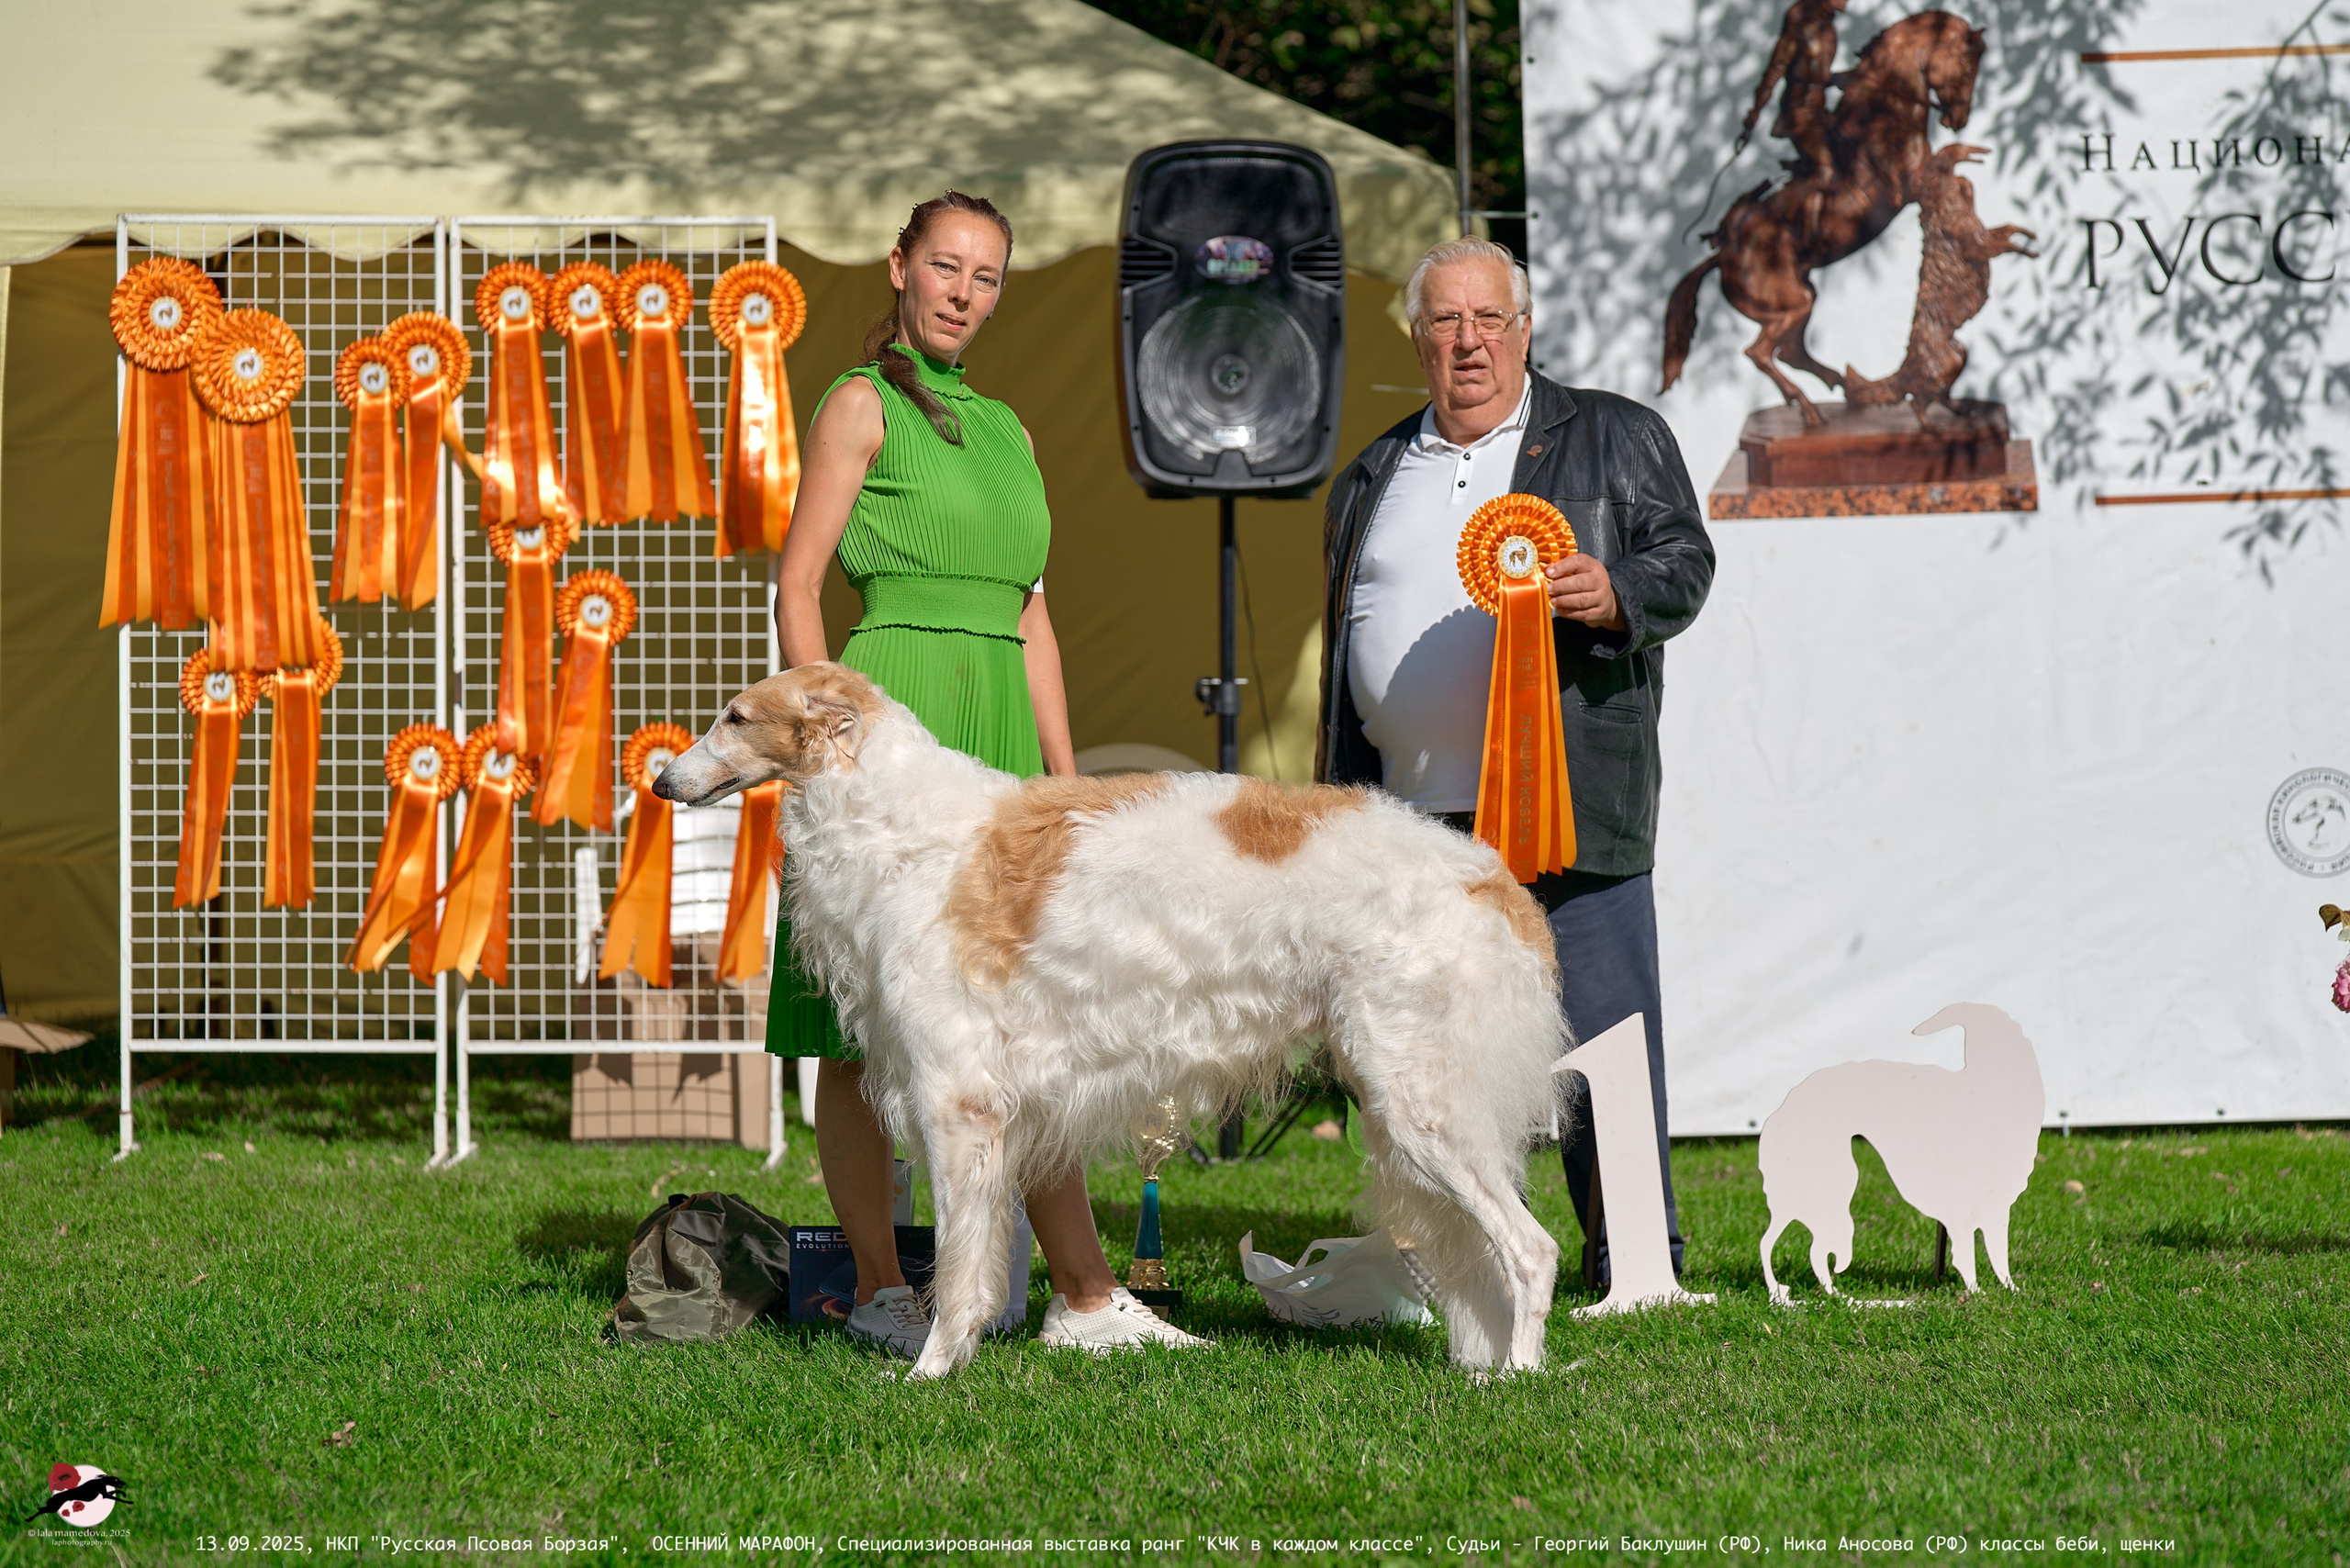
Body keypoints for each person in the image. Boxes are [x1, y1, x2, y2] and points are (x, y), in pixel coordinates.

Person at [770, 191, 1207, 1358]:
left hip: (1003, 738)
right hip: (890, 714)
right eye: (946, 267)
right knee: (859, 1032)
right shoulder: (859, 404)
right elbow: (800, 579)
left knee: (1033, 1028)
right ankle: (878, 1282)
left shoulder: (1010, 428)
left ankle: (1083, 1293)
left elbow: (1033, 618)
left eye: (988, 276)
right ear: (900, 268)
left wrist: (1066, 785)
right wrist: (829, 749)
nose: (965, 291)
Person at [1315, 237, 1715, 1282]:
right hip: (1413, 826)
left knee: (1604, 1036)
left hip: (1569, 801)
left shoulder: (1614, 436)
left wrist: (1617, 592)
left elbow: (1685, 560)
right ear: (1418, 339)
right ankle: (1457, 1260)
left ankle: (1635, 1264)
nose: (1468, 341)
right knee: (1430, 1056)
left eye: (1489, 319)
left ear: (1525, 329)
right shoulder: (1371, 472)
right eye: (1445, 321)